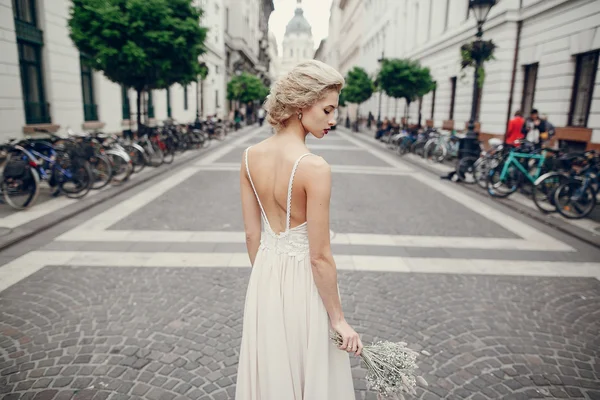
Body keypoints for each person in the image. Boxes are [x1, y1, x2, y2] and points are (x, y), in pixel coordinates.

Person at [236, 60, 359, 399]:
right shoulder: (314, 167)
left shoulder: (248, 157)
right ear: (303, 104)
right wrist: (338, 319)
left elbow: (252, 235)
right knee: (309, 370)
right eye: (328, 109)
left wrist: (266, 277)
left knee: (272, 369)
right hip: (303, 283)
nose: (333, 119)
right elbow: (319, 257)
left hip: (265, 279)